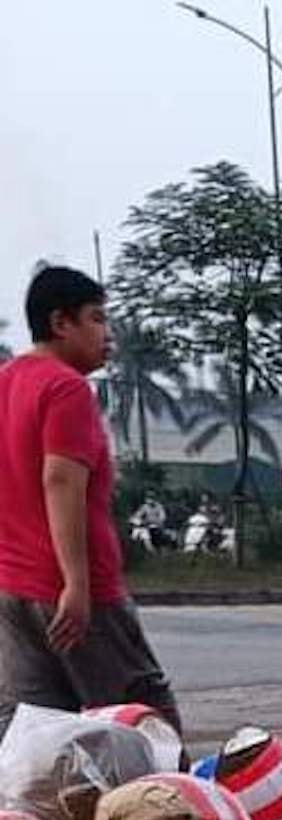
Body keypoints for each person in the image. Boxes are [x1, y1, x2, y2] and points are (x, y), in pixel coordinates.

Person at [0, 266, 180, 735]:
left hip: (14, 593)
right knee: (145, 725)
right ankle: (171, 809)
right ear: (62, 323)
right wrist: (76, 584)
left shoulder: (6, 383)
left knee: (36, 742)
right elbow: (60, 480)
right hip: (76, 596)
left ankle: (34, 812)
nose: (109, 335)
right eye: (97, 319)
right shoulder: (65, 388)